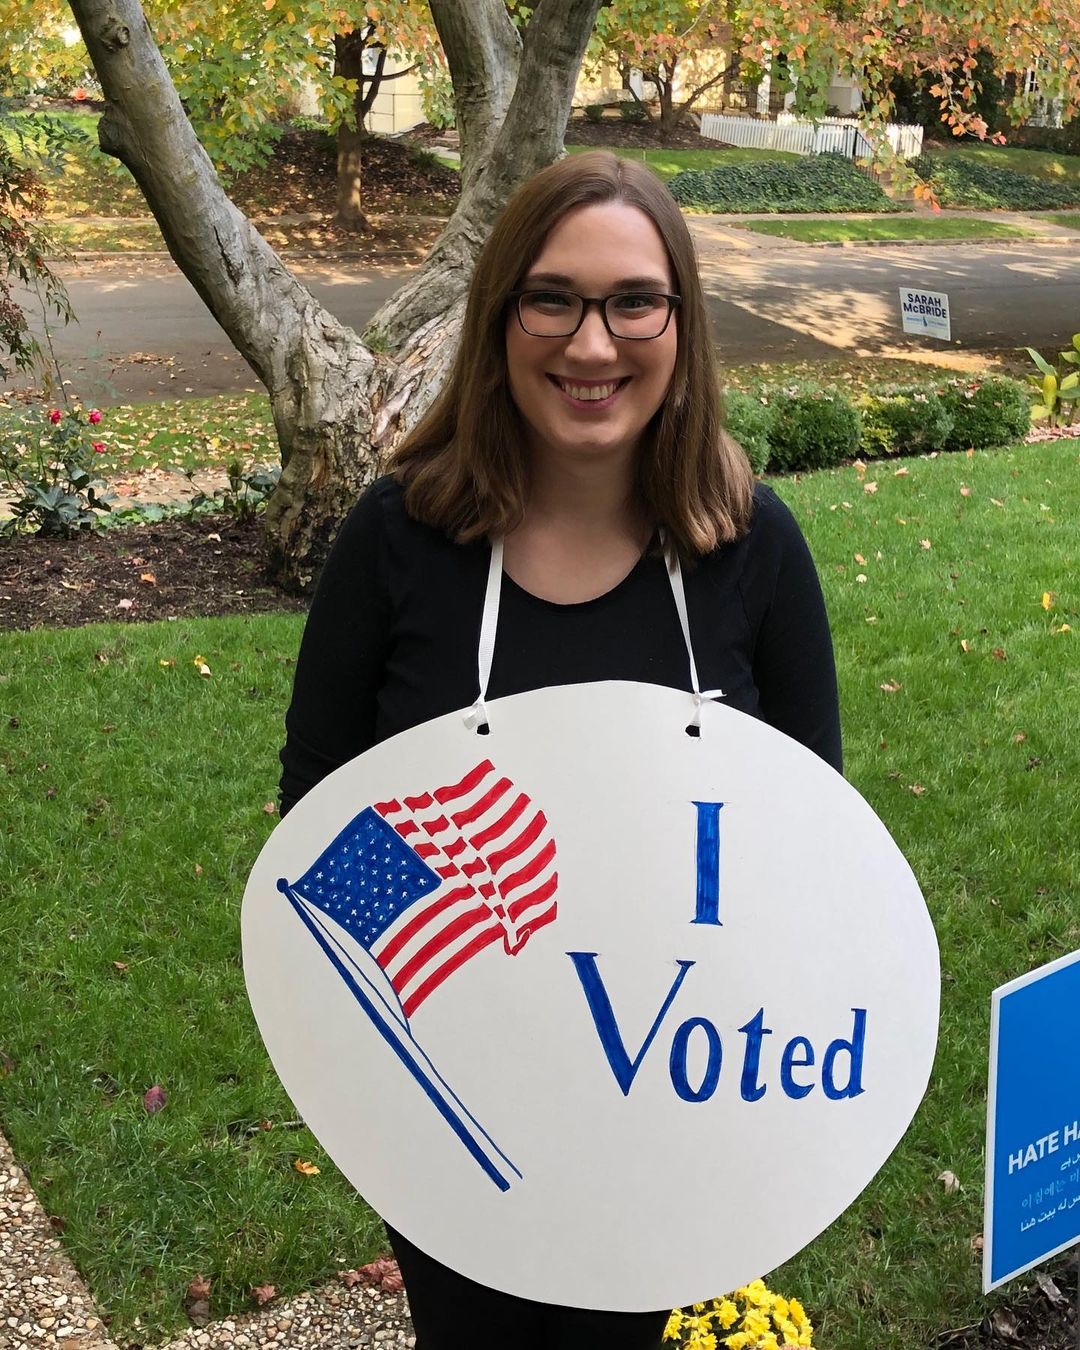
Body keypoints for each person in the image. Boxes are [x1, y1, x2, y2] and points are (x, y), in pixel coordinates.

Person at [278, 149, 841, 1350]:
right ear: (501, 317)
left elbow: (813, 847)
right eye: (554, 300)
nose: (593, 344)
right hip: (459, 1112)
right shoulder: (400, 542)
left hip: (676, 1098)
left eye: (634, 302)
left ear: (681, 323)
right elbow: (316, 819)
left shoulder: (751, 549)